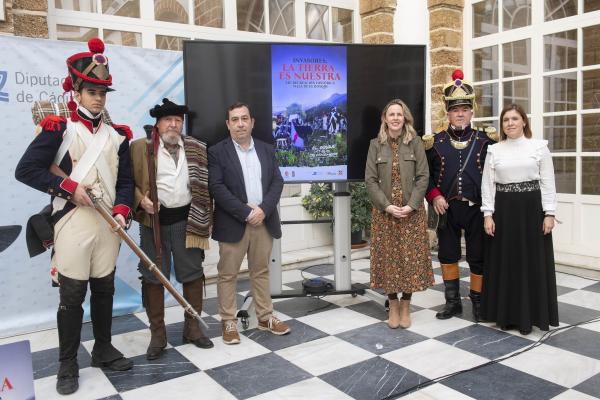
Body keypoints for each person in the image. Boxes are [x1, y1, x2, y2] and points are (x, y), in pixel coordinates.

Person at [15, 38, 134, 395]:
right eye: (91, 91)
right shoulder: (59, 129)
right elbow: (27, 170)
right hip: (71, 223)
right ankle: (68, 363)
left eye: (103, 92)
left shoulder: (118, 136)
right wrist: (67, 188)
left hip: (108, 225)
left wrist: (121, 211)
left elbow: (126, 182)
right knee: (71, 297)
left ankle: (103, 348)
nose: (98, 97)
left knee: (105, 289)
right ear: (77, 92)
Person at [130, 98, 213, 360]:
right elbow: (125, 182)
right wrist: (140, 199)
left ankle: (193, 329)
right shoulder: (139, 147)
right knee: (154, 277)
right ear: (158, 123)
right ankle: (158, 335)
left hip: (187, 220)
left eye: (178, 120)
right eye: (168, 120)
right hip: (152, 223)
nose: (174, 125)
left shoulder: (196, 148)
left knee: (191, 273)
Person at [208, 102, 290, 345]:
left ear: (252, 122)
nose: (240, 123)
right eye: (235, 119)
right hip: (234, 223)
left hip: (263, 222)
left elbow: (277, 181)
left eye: (244, 118)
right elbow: (217, 188)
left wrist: (263, 210)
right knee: (227, 274)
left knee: (261, 271)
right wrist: (246, 212)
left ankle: (265, 317)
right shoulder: (217, 152)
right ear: (228, 124)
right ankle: (228, 321)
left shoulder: (266, 149)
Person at [423, 69, 498, 321]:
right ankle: (452, 303)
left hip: (477, 209)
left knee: (478, 256)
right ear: (448, 113)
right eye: (455, 110)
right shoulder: (435, 142)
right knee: (447, 254)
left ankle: (478, 303)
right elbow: (426, 177)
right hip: (447, 209)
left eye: (464, 109)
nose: (460, 114)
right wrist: (434, 196)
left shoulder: (486, 140)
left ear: (472, 111)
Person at [481, 104, 558, 335]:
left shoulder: (539, 147)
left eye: (515, 118)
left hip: (532, 211)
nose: (510, 123)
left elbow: (548, 182)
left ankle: (532, 316)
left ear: (524, 121)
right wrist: (488, 214)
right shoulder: (494, 150)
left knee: (531, 262)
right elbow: (488, 184)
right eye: (506, 120)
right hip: (503, 212)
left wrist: (550, 213)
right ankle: (506, 316)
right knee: (506, 263)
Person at [365, 99, 434, 329]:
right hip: (385, 213)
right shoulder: (375, 144)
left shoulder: (415, 143)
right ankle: (392, 304)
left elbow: (423, 176)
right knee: (388, 260)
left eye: (399, 114)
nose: (395, 118)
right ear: (385, 119)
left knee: (409, 261)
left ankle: (406, 305)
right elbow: (370, 180)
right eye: (391, 114)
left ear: (405, 118)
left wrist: (412, 205)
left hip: (411, 213)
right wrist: (386, 206)